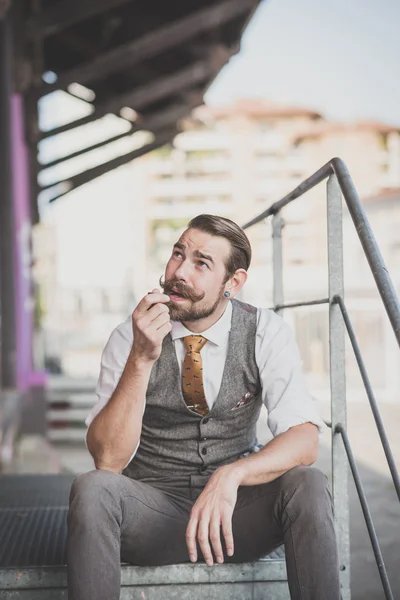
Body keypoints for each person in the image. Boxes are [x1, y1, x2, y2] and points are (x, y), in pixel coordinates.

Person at [67, 214, 340, 600]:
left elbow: (305, 440)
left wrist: (232, 475)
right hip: (153, 516)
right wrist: (141, 359)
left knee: (308, 483)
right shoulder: (129, 337)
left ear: (233, 283)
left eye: (201, 263)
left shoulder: (265, 331)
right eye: (178, 254)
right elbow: (108, 461)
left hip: (235, 518)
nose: (179, 271)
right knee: (92, 489)